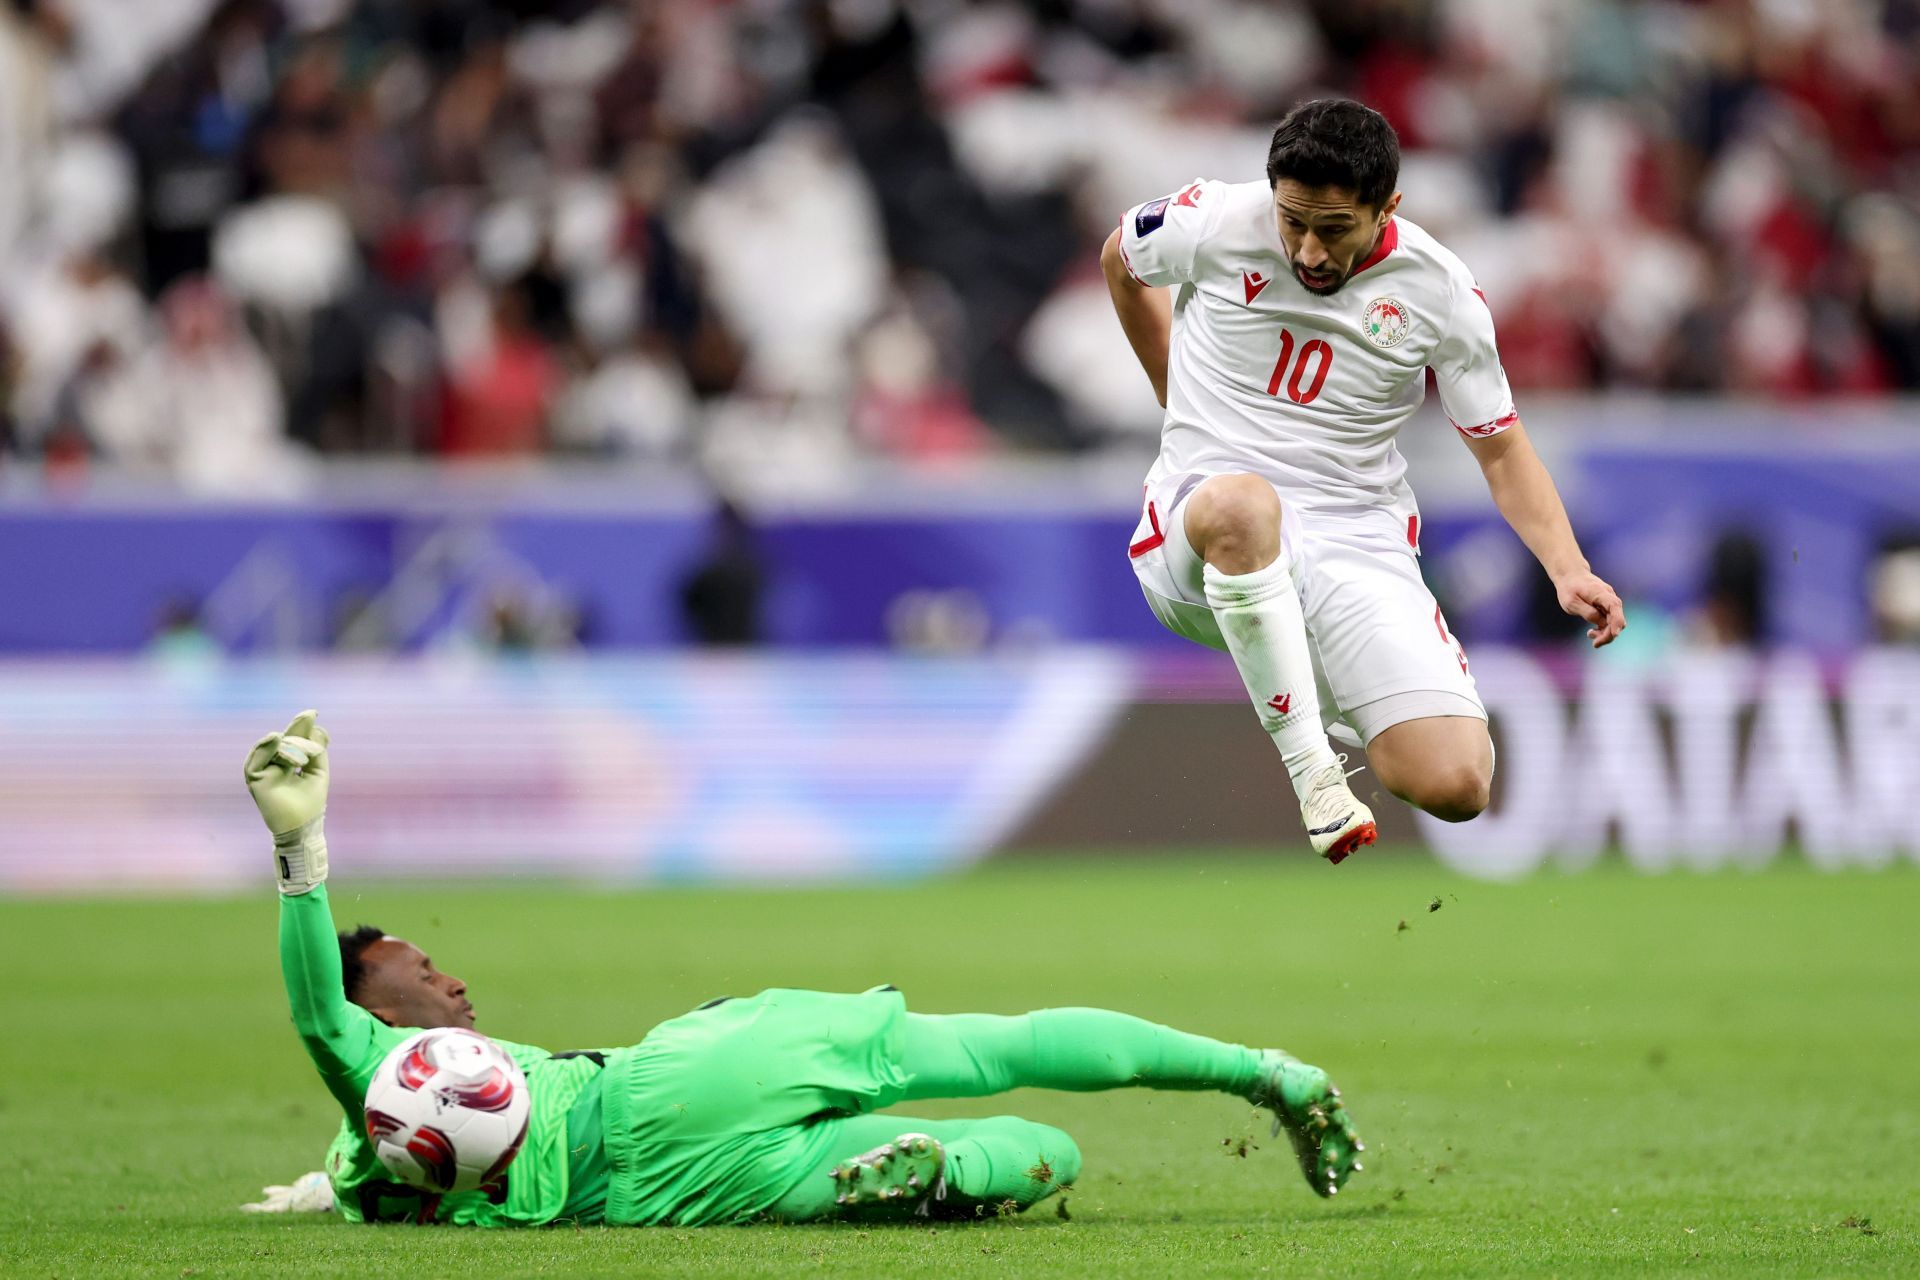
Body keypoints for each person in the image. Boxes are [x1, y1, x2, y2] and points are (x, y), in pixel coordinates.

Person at [245, 710, 1364, 1226]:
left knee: (1037, 1160)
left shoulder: (381, 1161)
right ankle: (1260, 1070)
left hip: (660, 1196)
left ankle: (945, 1175)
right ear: (375, 1011)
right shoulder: (372, 1062)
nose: (449, 987)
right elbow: (315, 1010)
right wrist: (302, 855)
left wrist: (311, 1192)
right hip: (681, 1075)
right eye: (420, 973)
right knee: (1000, 1044)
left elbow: (347, 1147)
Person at [1102, 99, 1626, 862]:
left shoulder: (1440, 291)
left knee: (1456, 782)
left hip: (1353, 536)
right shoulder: (1212, 219)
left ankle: (1309, 669)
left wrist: (1567, 567)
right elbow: (1122, 258)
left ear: (1389, 209)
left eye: (1334, 228)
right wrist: (1169, 391)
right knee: (1244, 505)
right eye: (1293, 222)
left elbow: (1502, 448)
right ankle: (1315, 770)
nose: (1309, 250)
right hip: (1204, 522)